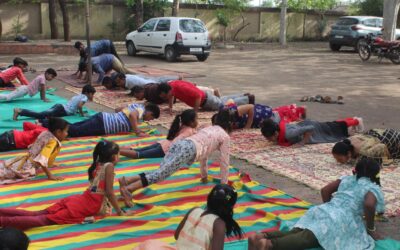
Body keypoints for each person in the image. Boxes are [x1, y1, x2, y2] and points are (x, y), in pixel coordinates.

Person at [248, 158, 384, 250]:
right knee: (308, 238)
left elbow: (325, 190)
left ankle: (261, 236)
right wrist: (370, 228)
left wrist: (330, 207)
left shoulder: (347, 179)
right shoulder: (372, 187)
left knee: (299, 230)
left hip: (323, 209)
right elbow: (369, 205)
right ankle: (269, 245)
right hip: (340, 218)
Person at [0, 140, 131, 230]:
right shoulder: (109, 167)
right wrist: (119, 211)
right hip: (87, 205)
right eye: (119, 154)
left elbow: (100, 189)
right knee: (42, 220)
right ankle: (3, 221)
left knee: (38, 214)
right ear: (114, 157)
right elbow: (109, 191)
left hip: (81, 200)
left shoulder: (98, 164)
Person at [118, 109, 233, 207]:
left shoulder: (209, 128)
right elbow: (224, 162)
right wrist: (224, 186)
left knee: (159, 171)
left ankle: (126, 180)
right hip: (188, 149)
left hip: (182, 144)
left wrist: (204, 175)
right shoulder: (225, 136)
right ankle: (129, 189)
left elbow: (205, 154)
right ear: (230, 124)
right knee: (160, 175)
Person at [134, 184, 243, 250]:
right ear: (230, 207)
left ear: (209, 199)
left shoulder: (194, 210)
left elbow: (177, 235)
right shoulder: (219, 224)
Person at [0, 117, 68, 184]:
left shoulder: (45, 133)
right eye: (66, 131)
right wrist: (50, 176)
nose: (67, 134)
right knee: (5, 173)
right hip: (27, 166)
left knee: (5, 168)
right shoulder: (53, 141)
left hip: (24, 160)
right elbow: (42, 159)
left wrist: (49, 164)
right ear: (58, 132)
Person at [41, 103, 160, 138]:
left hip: (102, 117)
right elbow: (133, 116)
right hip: (103, 124)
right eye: (151, 118)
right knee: (75, 131)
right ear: (150, 113)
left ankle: (46, 122)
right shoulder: (140, 110)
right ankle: (46, 124)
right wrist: (137, 131)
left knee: (74, 126)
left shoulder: (135, 105)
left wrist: (121, 120)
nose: (149, 120)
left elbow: (118, 108)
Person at [120, 109, 198, 160]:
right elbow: (176, 141)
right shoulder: (188, 130)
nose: (197, 121)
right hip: (164, 150)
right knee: (139, 154)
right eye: (196, 119)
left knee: (138, 150)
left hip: (162, 143)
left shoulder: (182, 125)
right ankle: (116, 151)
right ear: (191, 122)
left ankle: (118, 149)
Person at [157, 81, 253, 113]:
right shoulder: (170, 86)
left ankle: (248, 99)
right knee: (221, 99)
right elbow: (171, 97)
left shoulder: (180, 87)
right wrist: (170, 107)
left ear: (168, 91)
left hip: (206, 101)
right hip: (207, 98)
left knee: (224, 105)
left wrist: (194, 112)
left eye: (164, 96)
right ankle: (243, 96)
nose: (165, 98)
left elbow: (198, 96)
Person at [261, 117, 364, 146]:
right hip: (306, 124)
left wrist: (302, 142)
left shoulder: (288, 134)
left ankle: (356, 121)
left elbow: (310, 129)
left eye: (269, 138)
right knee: (332, 125)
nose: (269, 140)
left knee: (334, 131)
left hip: (314, 129)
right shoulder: (278, 127)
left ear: (276, 133)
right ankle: (352, 119)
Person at [13, 84, 96, 120]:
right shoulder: (84, 97)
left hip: (60, 108)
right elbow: (80, 106)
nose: (92, 96)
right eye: (92, 94)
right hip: (61, 109)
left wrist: (77, 111)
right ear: (87, 93)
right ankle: (20, 111)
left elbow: (74, 105)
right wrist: (82, 114)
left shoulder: (78, 95)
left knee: (43, 116)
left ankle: (21, 111)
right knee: (41, 115)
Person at [332, 128, 400, 165]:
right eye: (336, 159)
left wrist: (389, 160)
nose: (338, 161)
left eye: (340, 159)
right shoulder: (347, 141)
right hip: (380, 133)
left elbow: (381, 147)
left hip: (393, 139)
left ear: (349, 153)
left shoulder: (364, 153)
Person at [223, 103, 306, 129]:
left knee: (280, 118)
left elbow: (251, 107)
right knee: (278, 113)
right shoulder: (229, 118)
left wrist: (248, 124)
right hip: (260, 118)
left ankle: (300, 110)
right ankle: (297, 110)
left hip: (262, 115)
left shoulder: (235, 112)